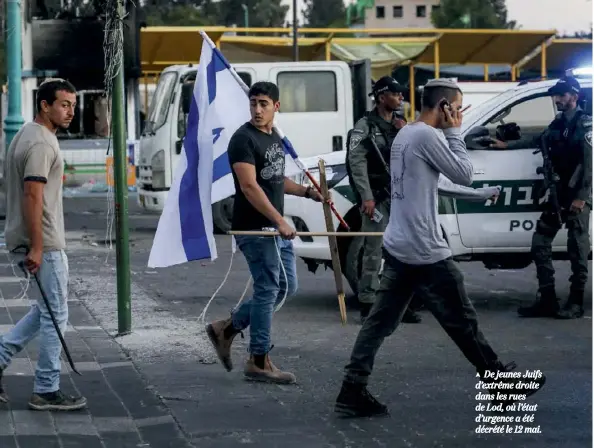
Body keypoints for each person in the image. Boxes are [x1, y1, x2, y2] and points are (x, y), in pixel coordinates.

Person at [334, 79, 545, 418]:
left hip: (400, 245)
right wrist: (456, 132)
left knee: (379, 323)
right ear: (446, 107)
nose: (459, 114)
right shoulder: (428, 136)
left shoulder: (406, 134)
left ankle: (352, 388)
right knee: (462, 319)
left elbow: (434, 184)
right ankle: (499, 384)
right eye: (458, 108)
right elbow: (462, 173)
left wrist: (480, 196)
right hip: (424, 249)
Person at [206, 81, 325, 384]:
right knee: (268, 289)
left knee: (287, 287)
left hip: (273, 228)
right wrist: (280, 221)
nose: (257, 110)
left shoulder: (273, 138)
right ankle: (258, 360)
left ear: (276, 107)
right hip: (255, 228)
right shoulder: (242, 139)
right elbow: (249, 186)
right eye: (254, 103)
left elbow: (275, 178)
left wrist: (308, 192)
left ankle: (227, 329)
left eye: (264, 104)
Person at [0, 79, 87, 411]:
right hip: (44, 242)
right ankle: (46, 389)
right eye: (64, 104)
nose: (70, 111)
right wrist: (38, 246)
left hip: (28, 239)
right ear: (45, 105)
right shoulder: (41, 143)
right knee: (56, 314)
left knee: (45, 309)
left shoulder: (27, 134)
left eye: (73, 105)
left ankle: (1, 356)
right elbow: (33, 194)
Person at [346, 76, 422, 324]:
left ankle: (400, 304)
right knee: (373, 250)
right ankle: (368, 302)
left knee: (403, 252)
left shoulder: (401, 125)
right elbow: (357, 164)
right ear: (381, 97)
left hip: (402, 198)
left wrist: (406, 133)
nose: (401, 97)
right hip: (377, 199)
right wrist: (366, 197)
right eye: (395, 93)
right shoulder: (364, 127)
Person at [517, 76, 592, 320]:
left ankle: (576, 301)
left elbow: (589, 164)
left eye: (561, 95)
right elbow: (540, 140)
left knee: (577, 248)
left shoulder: (585, 124)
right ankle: (547, 299)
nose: (557, 99)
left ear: (574, 95)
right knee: (540, 242)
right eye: (556, 95)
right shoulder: (558, 123)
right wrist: (503, 143)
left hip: (576, 195)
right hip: (557, 193)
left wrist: (581, 197)